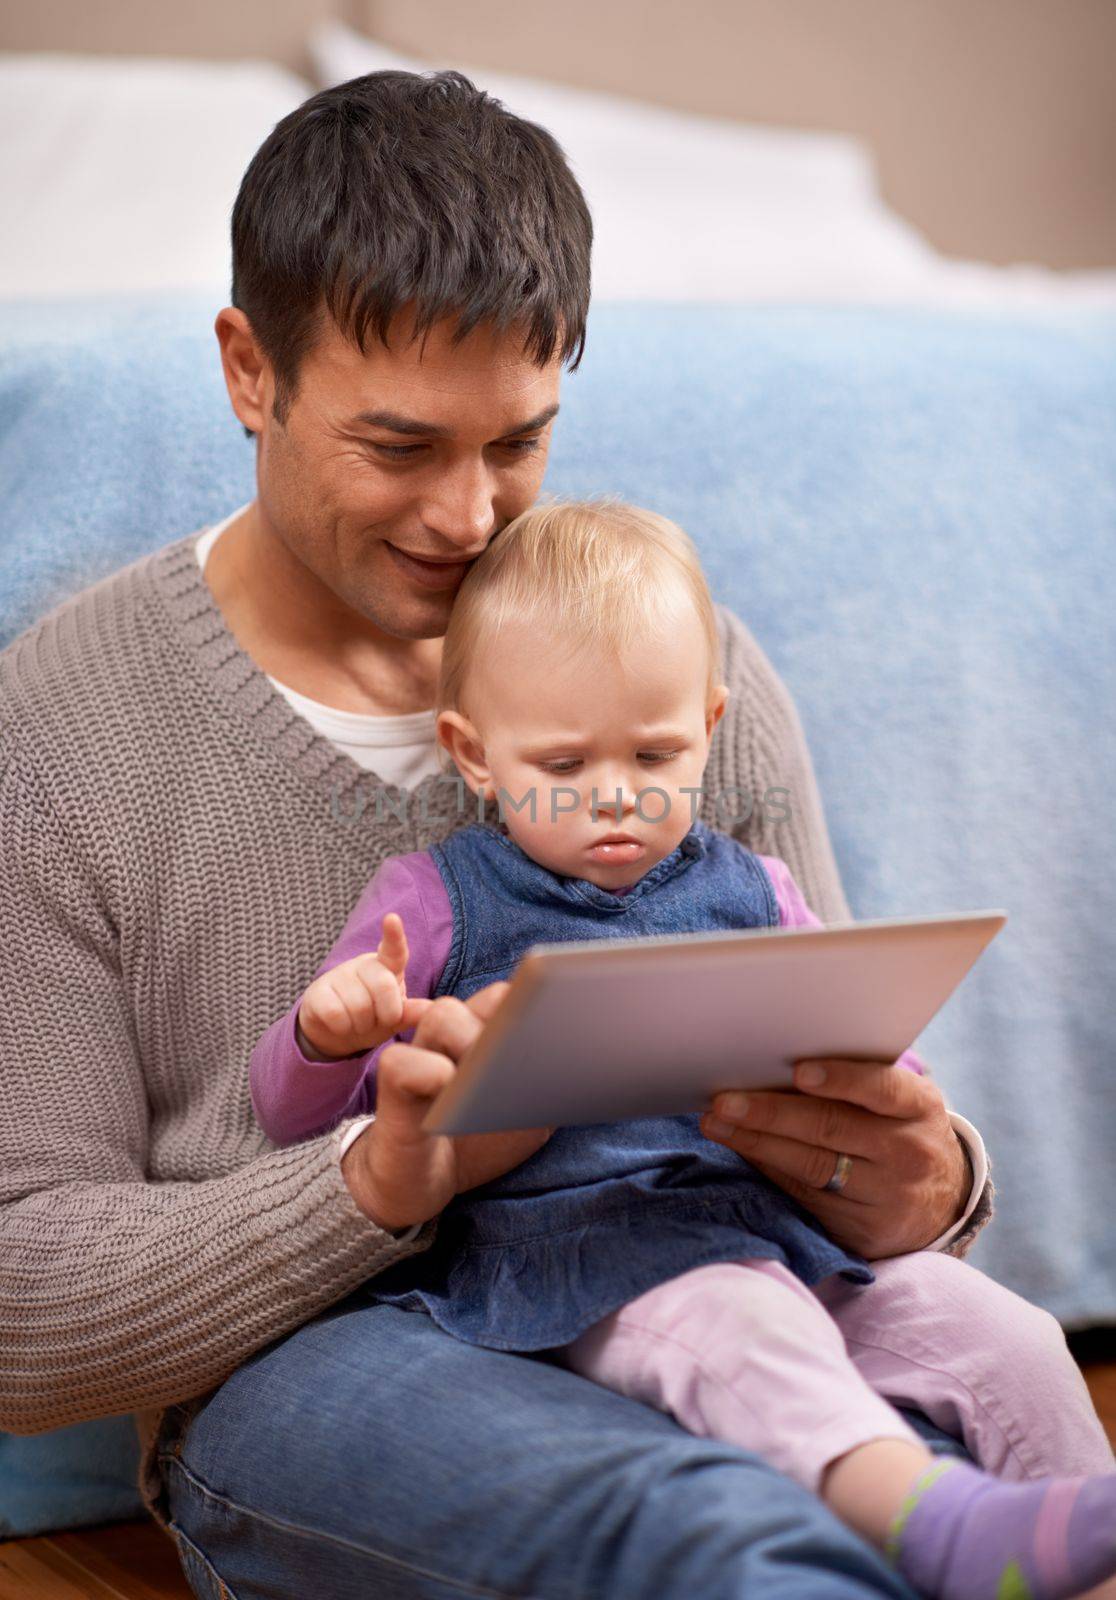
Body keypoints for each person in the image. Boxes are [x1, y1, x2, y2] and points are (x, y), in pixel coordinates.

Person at [0, 68, 1019, 1600]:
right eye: (400, 448)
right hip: (328, 1373)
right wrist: (375, 1183)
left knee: (992, 1453)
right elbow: (19, 1301)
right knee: (708, 1535)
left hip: (727, 1288)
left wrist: (927, 1188)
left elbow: (873, 1135)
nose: (471, 520)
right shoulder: (70, 724)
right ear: (246, 371)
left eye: (520, 446)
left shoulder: (683, 679)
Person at [247, 498, 1116, 1600]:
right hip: (574, 1266)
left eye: (655, 752)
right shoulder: (437, 899)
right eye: (562, 763)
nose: (616, 792)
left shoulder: (757, 886)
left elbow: (867, 1060)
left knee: (1001, 1330)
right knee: (743, 1322)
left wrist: (893, 1088)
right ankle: (932, 1524)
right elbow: (286, 1116)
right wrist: (330, 1033)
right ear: (472, 752)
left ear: (708, 725)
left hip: (785, 1237)